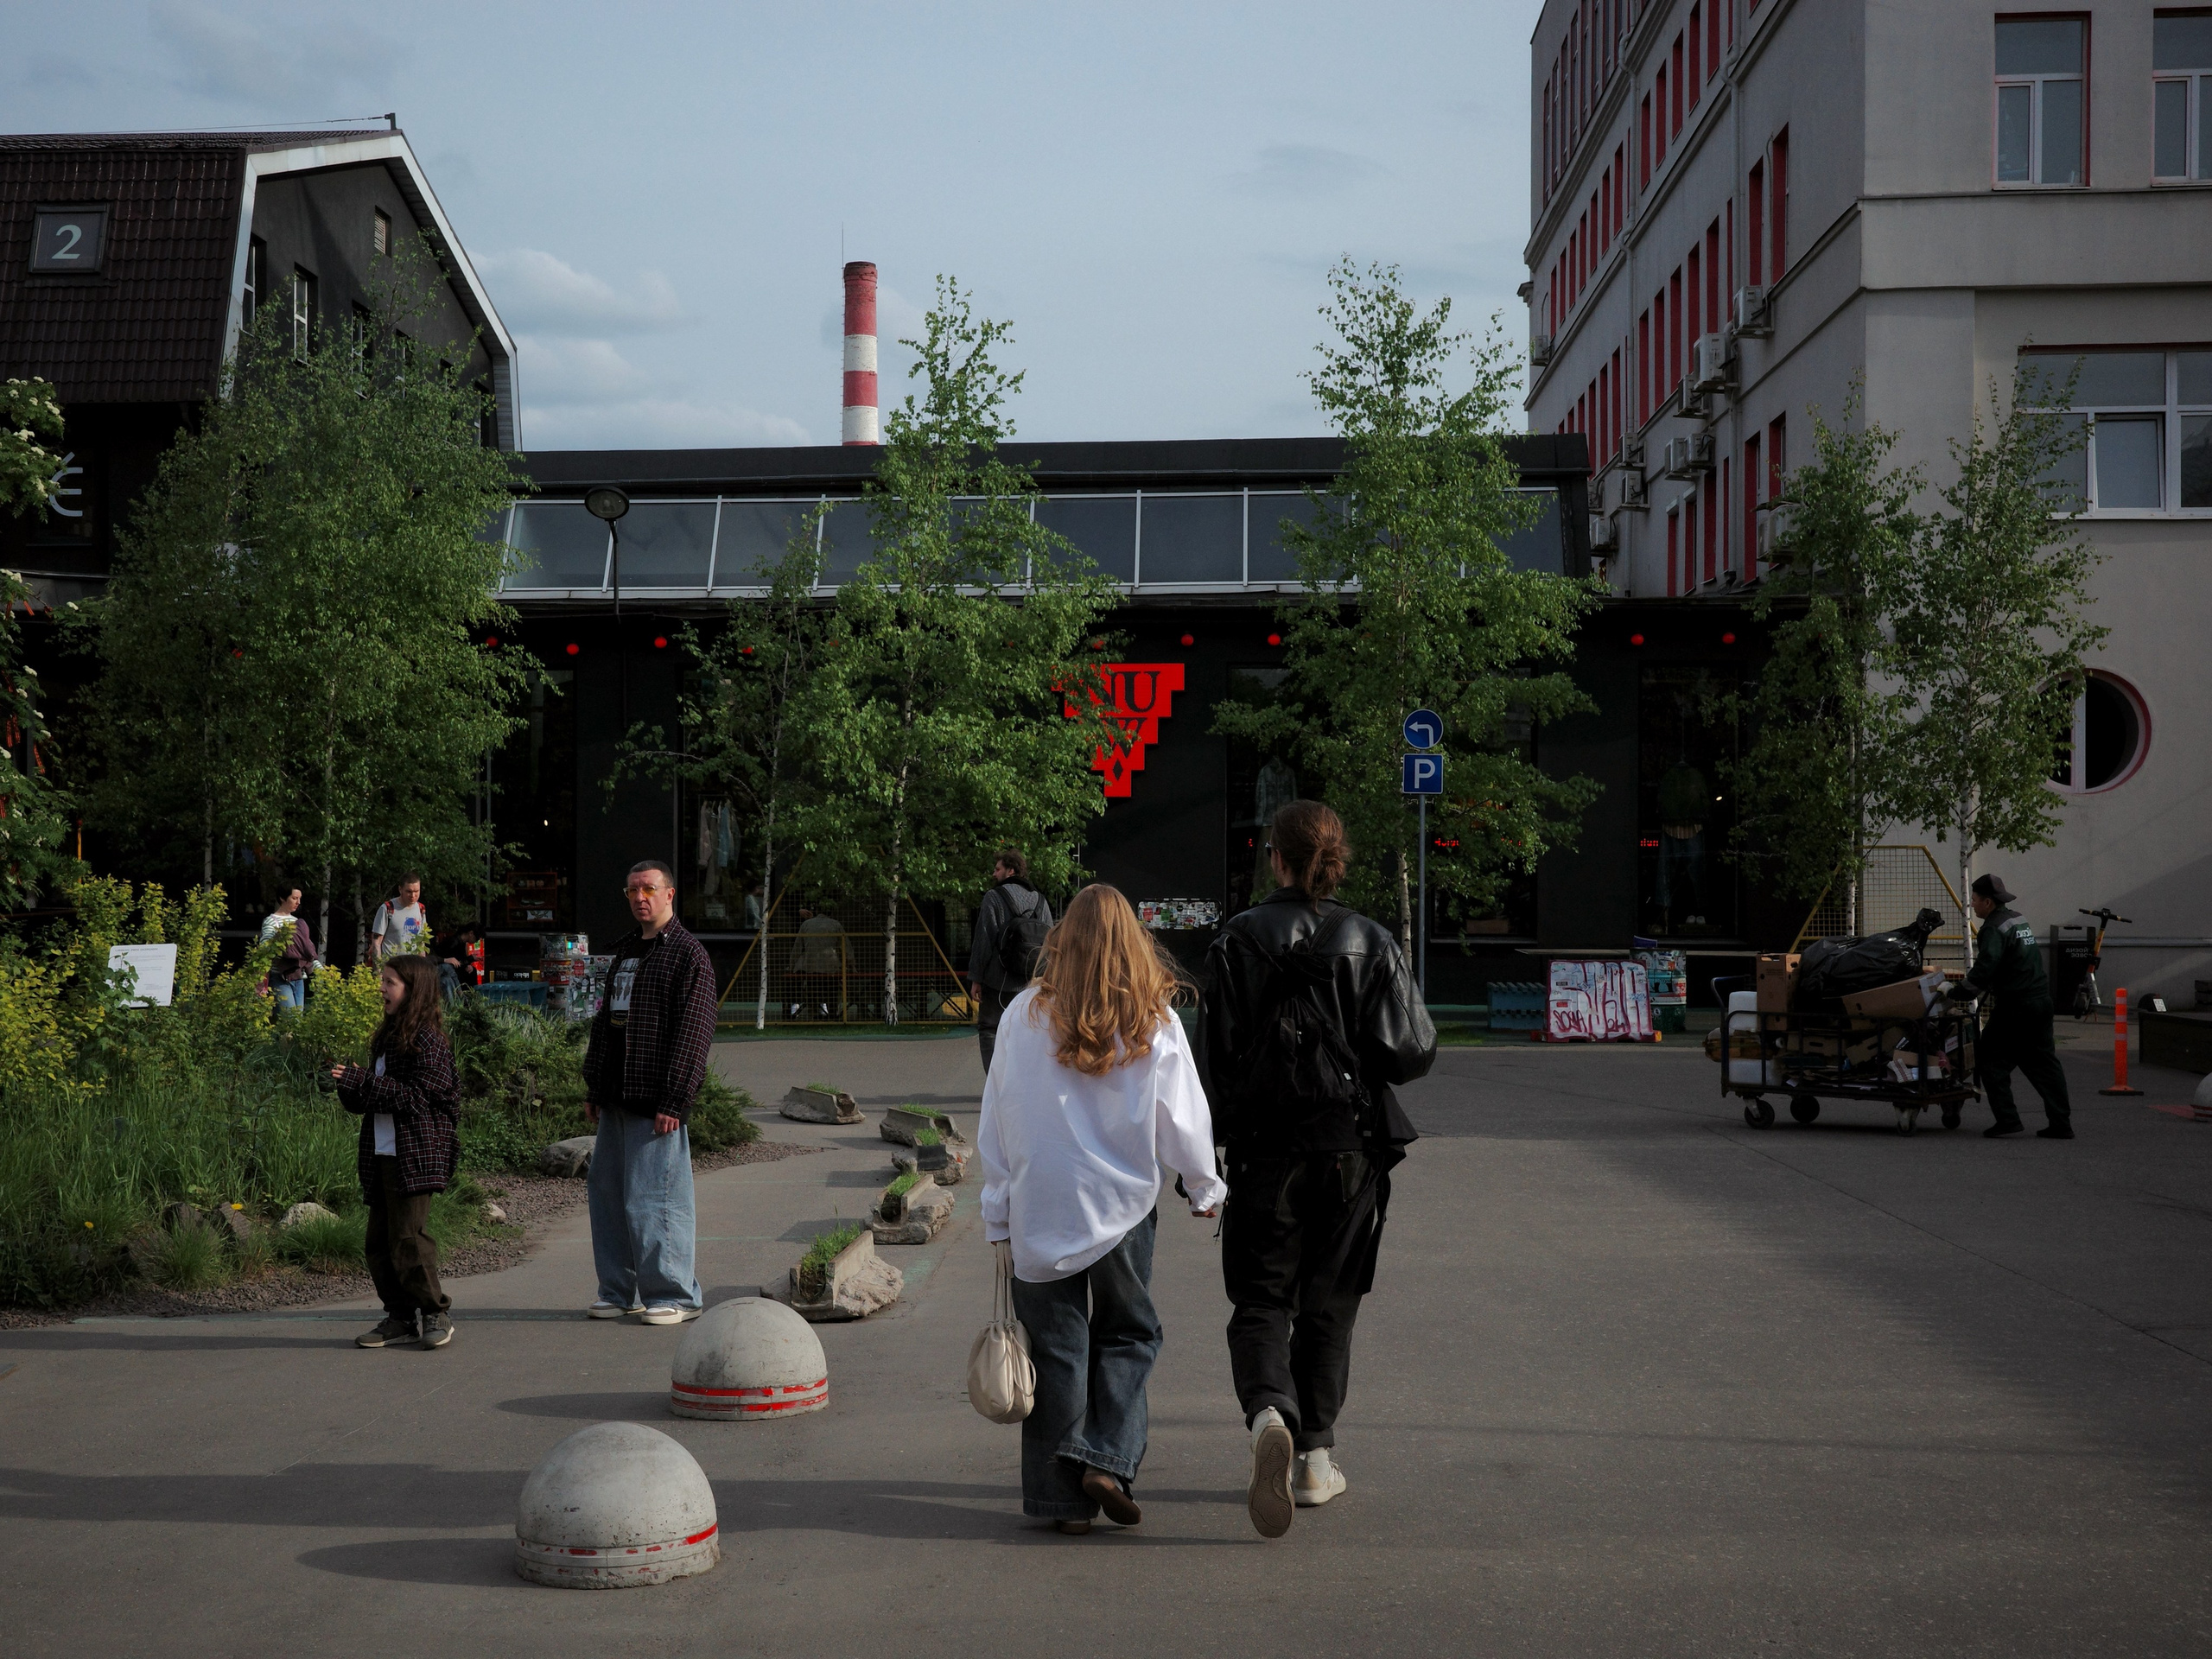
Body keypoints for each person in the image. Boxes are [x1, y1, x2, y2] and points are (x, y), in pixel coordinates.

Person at [1198, 799, 1436, 1539]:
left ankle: (1270, 1408)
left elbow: (1213, 1062)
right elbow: (1413, 1050)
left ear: (1275, 858)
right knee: (1330, 1303)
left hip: (1264, 1153)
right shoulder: (1369, 939)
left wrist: (1197, 1158)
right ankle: (1313, 1461)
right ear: (1336, 862)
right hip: (1349, 1151)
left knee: (1262, 1298)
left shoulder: (1235, 941)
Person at [976, 883, 1227, 1535]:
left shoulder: (1022, 1014)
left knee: (1057, 1350)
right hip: (1121, 1208)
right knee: (1129, 1333)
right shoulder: (1153, 1018)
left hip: (1040, 1204)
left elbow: (997, 1121)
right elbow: (1183, 1118)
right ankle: (1109, 1461)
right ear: (1134, 943)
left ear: (1062, 939)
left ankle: (1063, 1505)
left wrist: (996, 1209)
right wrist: (1205, 1187)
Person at [581, 859, 718, 1323]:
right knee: (609, 1196)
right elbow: (606, 1026)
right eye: (633, 890)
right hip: (618, 1095)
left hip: (656, 1101)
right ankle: (619, 1290)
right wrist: (595, 1086)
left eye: (649, 889)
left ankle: (674, 1295)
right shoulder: (625, 953)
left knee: (656, 1199)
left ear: (670, 895)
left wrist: (675, 1097)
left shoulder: (688, 955)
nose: (640, 898)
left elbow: (694, 1033)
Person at [330, 954, 461, 1350]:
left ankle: (434, 1312)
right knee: (379, 1240)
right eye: (382, 981)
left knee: (408, 1237)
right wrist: (348, 1085)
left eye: (390, 983)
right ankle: (400, 1317)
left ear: (413, 989)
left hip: (417, 1152)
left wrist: (364, 1081)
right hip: (382, 1151)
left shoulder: (429, 1040)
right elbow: (374, 1099)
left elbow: (419, 1099)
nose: (381, 989)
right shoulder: (389, 1037)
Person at [1963, 873, 2073, 1140]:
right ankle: (2061, 1123)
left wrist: (1959, 991)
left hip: (2016, 1006)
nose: (1972, 905)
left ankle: (2008, 1119)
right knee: (2044, 1063)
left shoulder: (1992, 928)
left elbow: (1986, 966)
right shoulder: (2017, 919)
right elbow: (2013, 960)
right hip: (2040, 1001)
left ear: (1988, 902)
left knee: (1990, 1059)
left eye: (1975, 900)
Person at [969, 849, 1054, 1074]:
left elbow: (984, 940)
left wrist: (976, 978)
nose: (994, 874)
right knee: (1031, 1031)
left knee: (990, 1030)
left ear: (1011, 870)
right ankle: (1025, 1081)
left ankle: (996, 1081)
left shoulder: (994, 898)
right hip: (1032, 982)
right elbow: (1051, 943)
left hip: (999, 982)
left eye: (998, 869)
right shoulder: (1041, 901)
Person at [261, 887, 319, 1010]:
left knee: (296, 1023)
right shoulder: (272, 921)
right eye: (294, 898)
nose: (298, 902)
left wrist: (322, 971)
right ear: (282, 898)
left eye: (299, 899)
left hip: (299, 978)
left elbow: (307, 951)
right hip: (281, 978)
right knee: (289, 1020)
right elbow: (264, 950)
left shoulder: (298, 922)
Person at [790, 902, 846, 1020]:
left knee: (812, 990)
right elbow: (845, 947)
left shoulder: (806, 925)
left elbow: (797, 947)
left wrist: (792, 966)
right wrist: (850, 965)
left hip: (811, 968)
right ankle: (833, 1014)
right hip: (831, 969)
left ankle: (813, 1014)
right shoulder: (836, 925)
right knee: (833, 990)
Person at [369, 874, 429, 963]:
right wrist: (379, 971)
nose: (413, 895)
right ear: (400, 889)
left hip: (412, 967)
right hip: (391, 967)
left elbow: (421, 941)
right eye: (409, 891)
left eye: (416, 891)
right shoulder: (387, 908)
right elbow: (376, 942)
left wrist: (422, 966)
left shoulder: (421, 909)